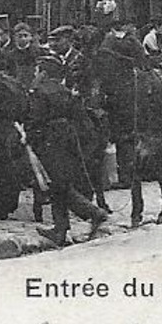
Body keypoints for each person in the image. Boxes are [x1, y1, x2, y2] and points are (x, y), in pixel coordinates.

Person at [25, 55, 110, 246]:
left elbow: (35, 120)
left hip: (49, 140)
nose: (35, 74)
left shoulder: (39, 92)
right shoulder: (64, 91)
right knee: (59, 184)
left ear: (43, 73)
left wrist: (30, 138)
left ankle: (94, 213)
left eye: (37, 70)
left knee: (57, 185)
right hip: (68, 140)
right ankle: (60, 229)